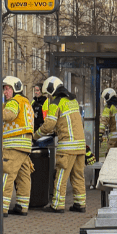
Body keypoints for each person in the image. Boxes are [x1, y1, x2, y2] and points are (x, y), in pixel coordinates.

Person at [0, 76, 34, 216]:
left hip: (13, 145)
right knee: (24, 176)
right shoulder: (26, 102)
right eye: (4, 89)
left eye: (8, 89)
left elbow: (8, 115)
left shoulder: (14, 102)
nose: (5, 92)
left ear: (16, 89)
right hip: (25, 145)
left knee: (5, 174)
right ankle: (22, 206)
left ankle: (1, 207)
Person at [36, 80, 86, 213]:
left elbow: (48, 126)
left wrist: (35, 136)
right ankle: (80, 204)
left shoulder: (56, 103)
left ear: (52, 90)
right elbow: (69, 122)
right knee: (78, 176)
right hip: (80, 146)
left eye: (49, 94)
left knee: (60, 176)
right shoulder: (72, 101)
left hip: (67, 147)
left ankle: (57, 205)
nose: (49, 97)